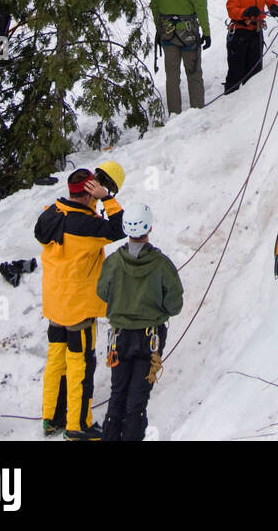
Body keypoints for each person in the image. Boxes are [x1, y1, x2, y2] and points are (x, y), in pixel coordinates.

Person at [34, 164, 125, 440]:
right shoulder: (87, 225)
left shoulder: (52, 213)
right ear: (88, 194)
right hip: (78, 309)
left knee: (56, 362)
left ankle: (52, 417)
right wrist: (107, 197)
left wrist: (93, 201)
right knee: (81, 367)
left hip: (55, 304)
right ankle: (78, 425)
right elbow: (120, 228)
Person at [97, 202, 183, 442]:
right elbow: (175, 304)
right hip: (149, 338)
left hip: (120, 338)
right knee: (137, 401)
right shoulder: (161, 264)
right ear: (149, 228)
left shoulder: (113, 263)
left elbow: (103, 292)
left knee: (118, 395)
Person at [150, 0, 209, 115]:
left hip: (167, 32)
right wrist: (206, 31)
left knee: (172, 76)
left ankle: (174, 114)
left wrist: (159, 29)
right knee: (194, 74)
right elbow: (200, 5)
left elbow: (155, 5)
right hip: (188, 32)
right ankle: (197, 111)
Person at [224, 0, 278, 95]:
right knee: (236, 70)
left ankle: (251, 100)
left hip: (256, 33)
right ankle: (230, 98)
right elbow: (232, 10)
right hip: (240, 33)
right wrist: (245, 12)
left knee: (254, 72)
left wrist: (275, 7)